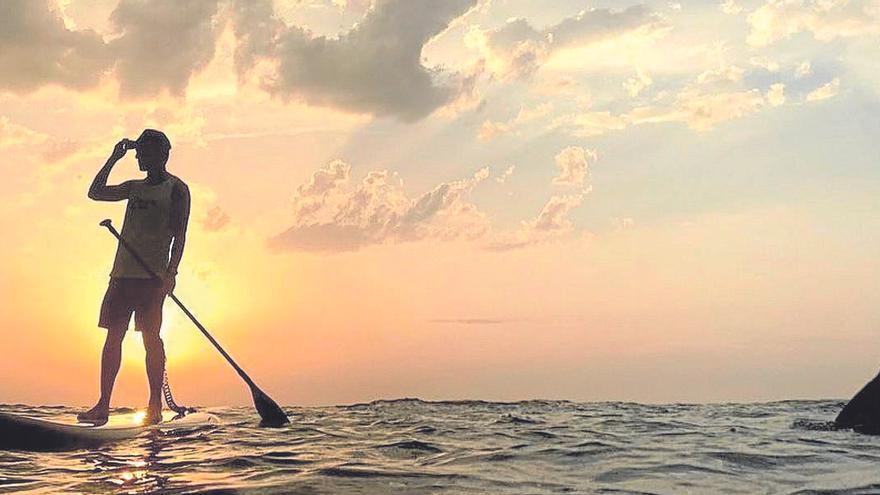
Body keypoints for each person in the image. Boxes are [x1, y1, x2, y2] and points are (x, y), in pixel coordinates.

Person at [79, 129, 191, 425]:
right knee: (112, 337)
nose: (139, 157)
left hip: (151, 278)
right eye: (138, 152)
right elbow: (96, 192)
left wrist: (171, 273)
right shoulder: (134, 188)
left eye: (144, 152)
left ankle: (154, 404)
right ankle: (103, 405)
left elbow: (180, 235)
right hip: (122, 275)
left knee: (151, 339)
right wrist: (115, 156)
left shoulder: (177, 189)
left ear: (162, 155)